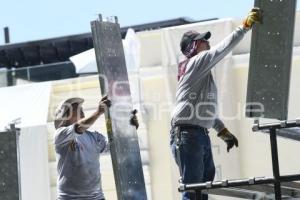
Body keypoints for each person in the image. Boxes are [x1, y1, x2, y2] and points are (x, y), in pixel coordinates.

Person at [170, 8, 261, 200]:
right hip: (189, 135)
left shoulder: (200, 73)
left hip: (196, 134)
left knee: (202, 191)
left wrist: (222, 130)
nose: (208, 42)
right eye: (203, 40)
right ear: (193, 47)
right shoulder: (197, 61)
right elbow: (222, 49)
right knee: (194, 190)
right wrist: (244, 27)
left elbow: (201, 111)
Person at [53, 95, 139, 200]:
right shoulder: (60, 135)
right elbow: (79, 127)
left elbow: (114, 147)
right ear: (66, 115)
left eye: (81, 108)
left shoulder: (93, 136)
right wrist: (98, 112)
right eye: (76, 108)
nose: (81, 110)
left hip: (96, 197)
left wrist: (129, 128)